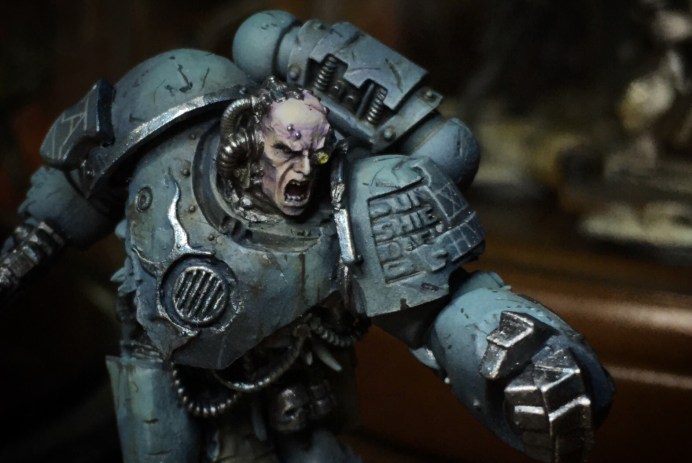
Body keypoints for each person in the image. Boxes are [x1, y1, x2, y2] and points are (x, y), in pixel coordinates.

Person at [0, 10, 613, 463]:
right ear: (247, 141)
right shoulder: (174, 99)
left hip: (290, 406)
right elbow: (85, 171)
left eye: (316, 155)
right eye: (285, 151)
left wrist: (520, 364)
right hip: (159, 379)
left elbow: (441, 310)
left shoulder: (355, 202)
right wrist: (33, 243)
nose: (302, 172)